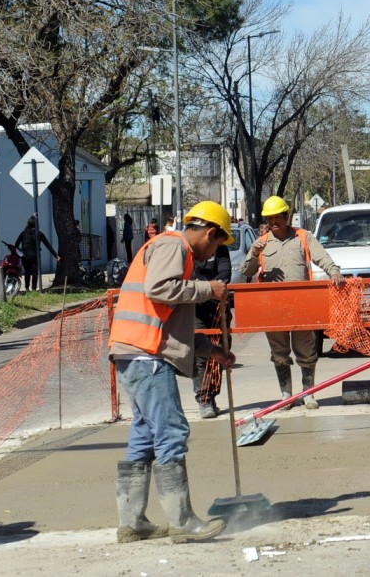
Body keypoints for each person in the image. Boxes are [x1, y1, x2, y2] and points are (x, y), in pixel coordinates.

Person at [109, 200, 234, 544]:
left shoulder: (175, 251)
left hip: (137, 352)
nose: (213, 255)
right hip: (146, 355)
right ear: (210, 233)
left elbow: (172, 324)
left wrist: (213, 352)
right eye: (218, 244)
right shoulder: (172, 246)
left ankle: (133, 522)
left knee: (145, 438)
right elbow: (159, 289)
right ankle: (184, 523)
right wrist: (209, 290)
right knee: (171, 433)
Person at [241, 196, 345, 410]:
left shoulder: (304, 237)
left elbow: (323, 258)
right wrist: (254, 253)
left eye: (277, 218)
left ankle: (309, 394)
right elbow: (247, 271)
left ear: (287, 217)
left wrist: (334, 271)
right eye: (269, 219)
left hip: (301, 305)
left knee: (306, 352)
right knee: (279, 354)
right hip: (274, 307)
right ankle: (286, 395)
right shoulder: (261, 243)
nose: (273, 223)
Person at [192, 239, 233, 419]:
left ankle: (213, 396)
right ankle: (203, 399)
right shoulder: (190, 252)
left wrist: (207, 287)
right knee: (201, 354)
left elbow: (225, 274)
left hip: (218, 307)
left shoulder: (221, 250)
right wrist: (208, 288)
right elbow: (189, 277)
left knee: (220, 354)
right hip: (196, 309)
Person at [16, 217, 59, 291]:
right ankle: (34, 288)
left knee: (27, 272)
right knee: (35, 273)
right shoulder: (39, 234)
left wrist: (21, 252)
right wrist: (56, 256)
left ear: (28, 224)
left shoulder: (23, 234)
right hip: (35, 256)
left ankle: (26, 288)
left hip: (25, 256)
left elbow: (16, 244)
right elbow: (48, 245)